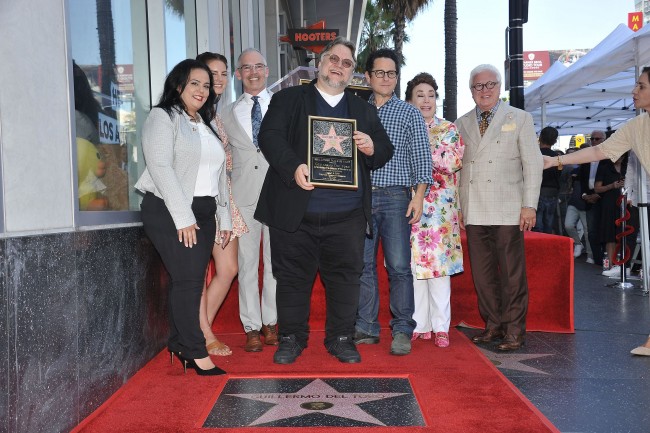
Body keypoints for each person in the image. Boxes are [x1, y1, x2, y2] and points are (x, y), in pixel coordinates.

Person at [254, 36, 393, 364]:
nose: (339, 66)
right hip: (294, 213)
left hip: (347, 217)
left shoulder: (363, 108)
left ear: (352, 72)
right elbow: (269, 137)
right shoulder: (288, 99)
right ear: (320, 62)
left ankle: (341, 338)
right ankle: (291, 339)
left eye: (347, 63)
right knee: (290, 278)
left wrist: (372, 147)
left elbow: (384, 149)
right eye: (334, 59)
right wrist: (293, 166)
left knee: (346, 279)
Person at [542, 66, 650, 356]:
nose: (634, 91)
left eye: (640, 86)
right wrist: (556, 162)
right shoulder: (636, 127)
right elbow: (598, 152)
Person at [135, 59, 231, 375]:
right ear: (178, 85)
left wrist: (225, 219)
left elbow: (219, 175)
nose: (202, 90)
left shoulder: (205, 124)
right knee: (190, 281)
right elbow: (160, 167)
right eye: (194, 83)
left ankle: (179, 341)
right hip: (169, 208)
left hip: (204, 210)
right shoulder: (162, 117)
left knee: (187, 280)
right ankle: (194, 350)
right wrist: (183, 217)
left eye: (206, 85)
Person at [456, 64, 543, 351]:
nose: (485, 90)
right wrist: (458, 207)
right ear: (471, 91)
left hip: (508, 207)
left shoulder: (520, 118)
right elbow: (457, 169)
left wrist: (529, 205)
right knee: (482, 275)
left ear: (500, 86)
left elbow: (533, 163)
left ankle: (514, 330)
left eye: (490, 84)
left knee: (511, 274)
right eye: (479, 86)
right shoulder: (461, 122)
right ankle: (493, 325)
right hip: (474, 208)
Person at [354, 48, 434, 357]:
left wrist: (418, 195)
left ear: (396, 78)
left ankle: (402, 329)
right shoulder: (358, 111)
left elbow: (422, 159)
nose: (385, 78)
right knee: (363, 266)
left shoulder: (409, 112)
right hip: (362, 198)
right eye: (380, 73)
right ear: (368, 76)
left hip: (396, 197)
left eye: (391, 73)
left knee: (399, 267)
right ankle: (367, 327)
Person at [221, 48, 278, 352]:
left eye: (258, 66)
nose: (253, 72)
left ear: (267, 71)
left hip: (277, 194)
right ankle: (251, 327)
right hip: (242, 198)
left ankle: (271, 323)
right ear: (238, 74)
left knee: (273, 265)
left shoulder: (283, 105)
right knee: (246, 264)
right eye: (246, 67)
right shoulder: (226, 114)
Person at [404, 73, 464, 348]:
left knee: (439, 270)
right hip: (411, 206)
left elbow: (452, 160)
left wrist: (422, 153)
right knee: (416, 267)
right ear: (410, 99)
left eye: (430, 94)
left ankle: (442, 326)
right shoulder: (405, 126)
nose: (426, 100)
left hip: (440, 209)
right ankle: (420, 324)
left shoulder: (448, 128)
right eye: (420, 95)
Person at [195, 52, 249, 356]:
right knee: (199, 272)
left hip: (223, 197)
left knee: (228, 267)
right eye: (211, 73)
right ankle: (204, 333)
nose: (218, 79)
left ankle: (202, 329)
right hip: (198, 198)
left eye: (223, 73)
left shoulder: (218, 113)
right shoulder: (190, 112)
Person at [596, 154, 628, 277]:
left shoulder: (628, 167)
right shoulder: (604, 167)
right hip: (609, 202)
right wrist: (612, 186)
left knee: (623, 233)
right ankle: (611, 265)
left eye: (622, 155)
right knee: (610, 234)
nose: (619, 157)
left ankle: (623, 264)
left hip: (625, 203)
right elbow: (597, 188)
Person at [580, 130, 607, 265]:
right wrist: (585, 195)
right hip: (589, 197)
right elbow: (580, 180)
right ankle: (597, 260)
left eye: (597, 139)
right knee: (591, 231)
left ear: (603, 140)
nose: (594, 141)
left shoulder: (607, 159)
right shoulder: (586, 159)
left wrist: (598, 194)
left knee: (605, 229)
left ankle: (606, 258)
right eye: (592, 139)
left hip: (605, 197)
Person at [534, 127, 561, 234]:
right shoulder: (558, 158)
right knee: (548, 224)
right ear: (554, 141)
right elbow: (560, 175)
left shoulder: (534, 155)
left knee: (536, 225)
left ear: (540, 138)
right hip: (552, 193)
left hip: (536, 192)